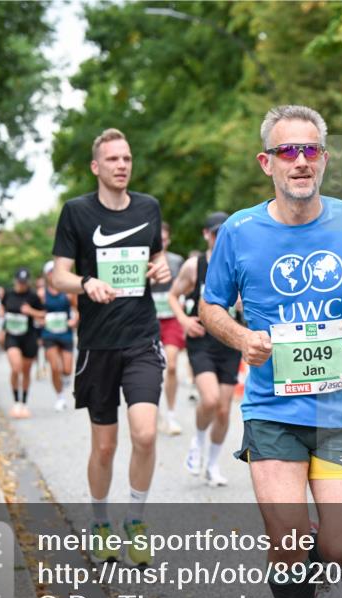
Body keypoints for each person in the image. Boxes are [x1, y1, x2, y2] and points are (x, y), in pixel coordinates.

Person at [200, 105, 342, 598]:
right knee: (287, 544)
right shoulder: (240, 231)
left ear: (324, 159)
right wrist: (241, 338)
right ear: (267, 162)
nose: (300, 161)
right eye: (288, 151)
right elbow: (211, 305)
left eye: (310, 150)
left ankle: (314, 548)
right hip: (272, 409)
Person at [49, 128, 171, 567]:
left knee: (145, 432)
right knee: (104, 447)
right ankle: (100, 521)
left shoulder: (148, 208)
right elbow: (57, 276)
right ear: (96, 167)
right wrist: (86, 283)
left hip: (141, 337)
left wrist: (158, 269)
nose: (122, 165)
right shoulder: (77, 213)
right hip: (98, 345)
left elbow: (155, 258)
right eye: (113, 159)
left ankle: (134, 519)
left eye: (127, 158)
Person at [168, 211, 241, 487]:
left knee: (223, 410)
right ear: (206, 235)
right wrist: (184, 320)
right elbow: (173, 296)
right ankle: (197, 442)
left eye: (224, 233)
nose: (219, 237)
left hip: (230, 342)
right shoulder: (193, 266)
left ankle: (212, 464)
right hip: (201, 341)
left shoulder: (240, 263)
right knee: (209, 400)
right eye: (214, 233)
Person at [152, 222, 186, 435]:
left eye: (164, 239)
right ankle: (152, 412)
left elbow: (185, 286)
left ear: (169, 240)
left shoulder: (177, 261)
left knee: (171, 366)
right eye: (158, 239)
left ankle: (171, 415)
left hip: (172, 317)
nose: (161, 243)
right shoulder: (146, 260)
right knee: (153, 369)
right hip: (149, 319)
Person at [3, 268, 44, 418]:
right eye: (20, 282)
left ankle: (24, 403)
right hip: (12, 336)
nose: (22, 285)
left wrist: (31, 311)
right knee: (16, 368)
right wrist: (0, 329)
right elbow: (2, 312)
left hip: (28, 337)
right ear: (15, 281)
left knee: (26, 372)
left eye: (24, 282)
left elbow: (43, 315)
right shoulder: (8, 294)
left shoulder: (33, 296)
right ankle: (16, 402)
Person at [41, 260, 78, 412]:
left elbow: (77, 310)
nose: (52, 274)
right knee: (55, 367)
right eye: (50, 272)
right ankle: (60, 397)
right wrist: (40, 318)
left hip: (65, 333)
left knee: (67, 369)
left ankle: (64, 379)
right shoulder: (42, 294)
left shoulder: (68, 293)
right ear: (46, 276)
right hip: (49, 334)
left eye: (54, 271)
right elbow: (37, 312)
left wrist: (74, 320)